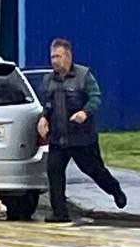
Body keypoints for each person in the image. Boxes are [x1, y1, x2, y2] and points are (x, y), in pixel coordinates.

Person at [39, 38, 127, 224]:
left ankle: (115, 190)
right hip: (58, 138)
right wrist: (43, 118)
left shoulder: (84, 75)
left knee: (94, 170)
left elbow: (96, 97)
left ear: (68, 56)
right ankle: (59, 213)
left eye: (58, 56)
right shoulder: (48, 80)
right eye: (52, 56)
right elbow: (46, 105)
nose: (54, 61)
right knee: (54, 172)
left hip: (81, 138)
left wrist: (85, 112)